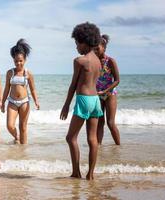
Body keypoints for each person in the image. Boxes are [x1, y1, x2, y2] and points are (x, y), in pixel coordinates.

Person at [60, 22, 103, 180]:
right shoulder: (98, 61)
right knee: (93, 139)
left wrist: (66, 106)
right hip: (95, 100)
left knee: (70, 138)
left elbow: (73, 85)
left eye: (77, 43)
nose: (76, 47)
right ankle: (90, 175)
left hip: (84, 99)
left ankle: (76, 172)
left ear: (84, 42)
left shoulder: (80, 61)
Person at [1, 39, 40, 144]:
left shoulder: (28, 74)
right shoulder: (10, 73)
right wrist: (2, 102)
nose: (18, 63)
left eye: (20, 61)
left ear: (25, 60)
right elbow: (6, 89)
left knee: (23, 127)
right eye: (16, 61)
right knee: (10, 126)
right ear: (13, 60)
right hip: (12, 102)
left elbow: (32, 89)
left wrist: (36, 101)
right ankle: (16, 137)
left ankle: (23, 152)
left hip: (24, 102)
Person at [95, 34, 120, 145]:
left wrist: (105, 91)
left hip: (110, 94)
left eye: (97, 48)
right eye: (93, 48)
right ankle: (98, 148)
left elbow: (117, 80)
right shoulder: (93, 62)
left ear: (104, 48)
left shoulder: (110, 61)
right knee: (100, 123)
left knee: (110, 123)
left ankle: (118, 146)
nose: (95, 50)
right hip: (97, 95)